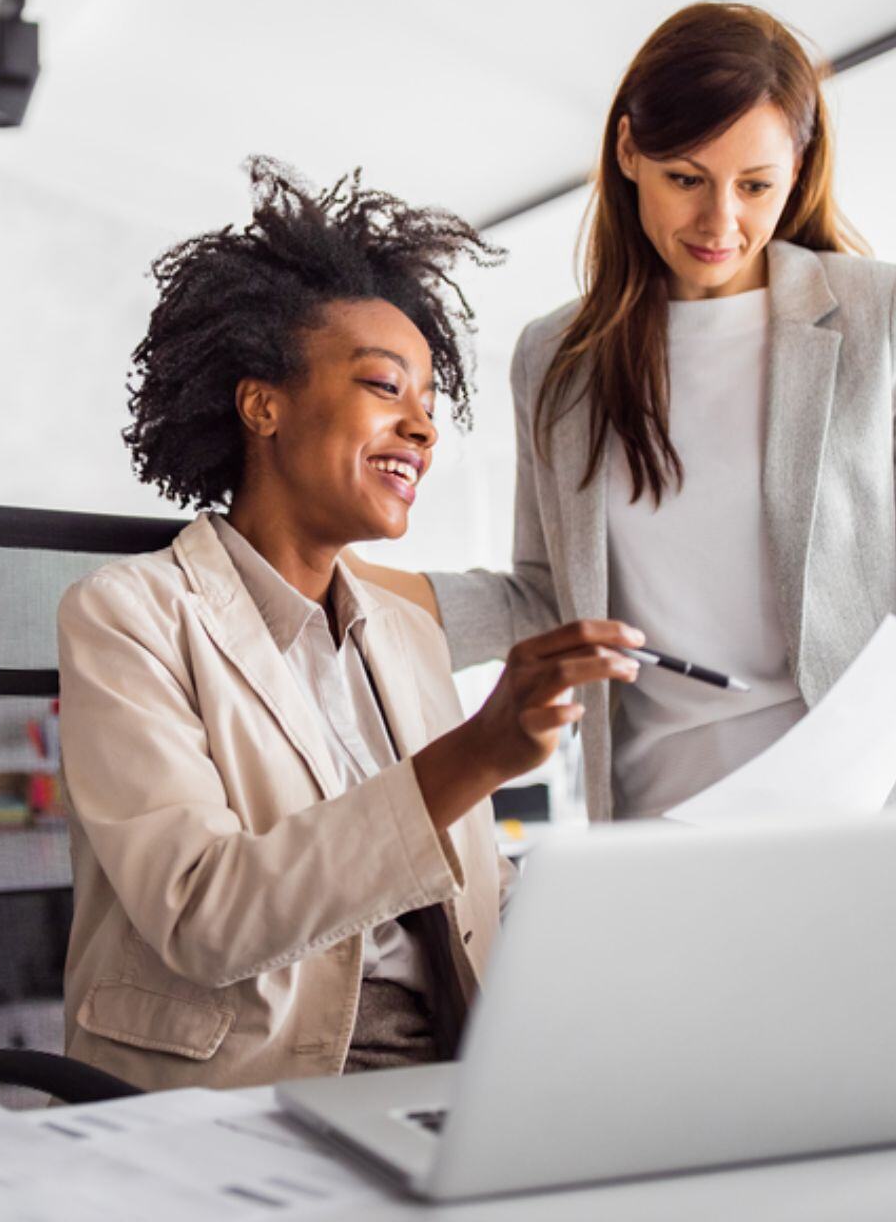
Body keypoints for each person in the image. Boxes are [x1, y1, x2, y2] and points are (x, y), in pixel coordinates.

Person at [348, 2, 896, 995]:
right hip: (668, 854)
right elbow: (545, 601)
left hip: (883, 842)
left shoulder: (883, 316)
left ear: (800, 167)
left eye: (755, 185)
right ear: (628, 151)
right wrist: (326, 577)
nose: (720, 223)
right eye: (685, 179)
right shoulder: (557, 359)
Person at [57, 159, 640, 1093]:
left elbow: (471, 894)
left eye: (429, 405)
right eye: (383, 387)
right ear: (263, 405)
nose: (423, 429)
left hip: (447, 1070)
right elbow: (205, 916)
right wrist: (477, 754)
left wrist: (627, 918)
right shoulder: (127, 617)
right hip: (253, 1087)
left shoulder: (405, 633)